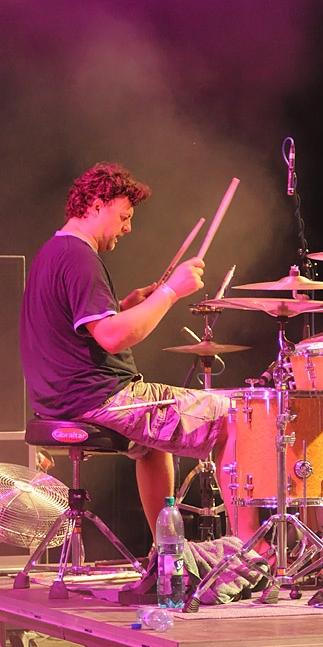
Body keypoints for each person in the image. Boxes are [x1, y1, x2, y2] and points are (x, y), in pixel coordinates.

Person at [19, 161, 247, 545]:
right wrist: (170, 292)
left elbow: (79, 331)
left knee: (153, 446)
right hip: (98, 398)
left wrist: (125, 307)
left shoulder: (52, 251)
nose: (128, 228)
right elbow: (112, 338)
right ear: (97, 204)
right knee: (237, 418)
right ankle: (251, 549)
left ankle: (166, 553)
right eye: (124, 217)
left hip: (61, 397)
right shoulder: (79, 257)